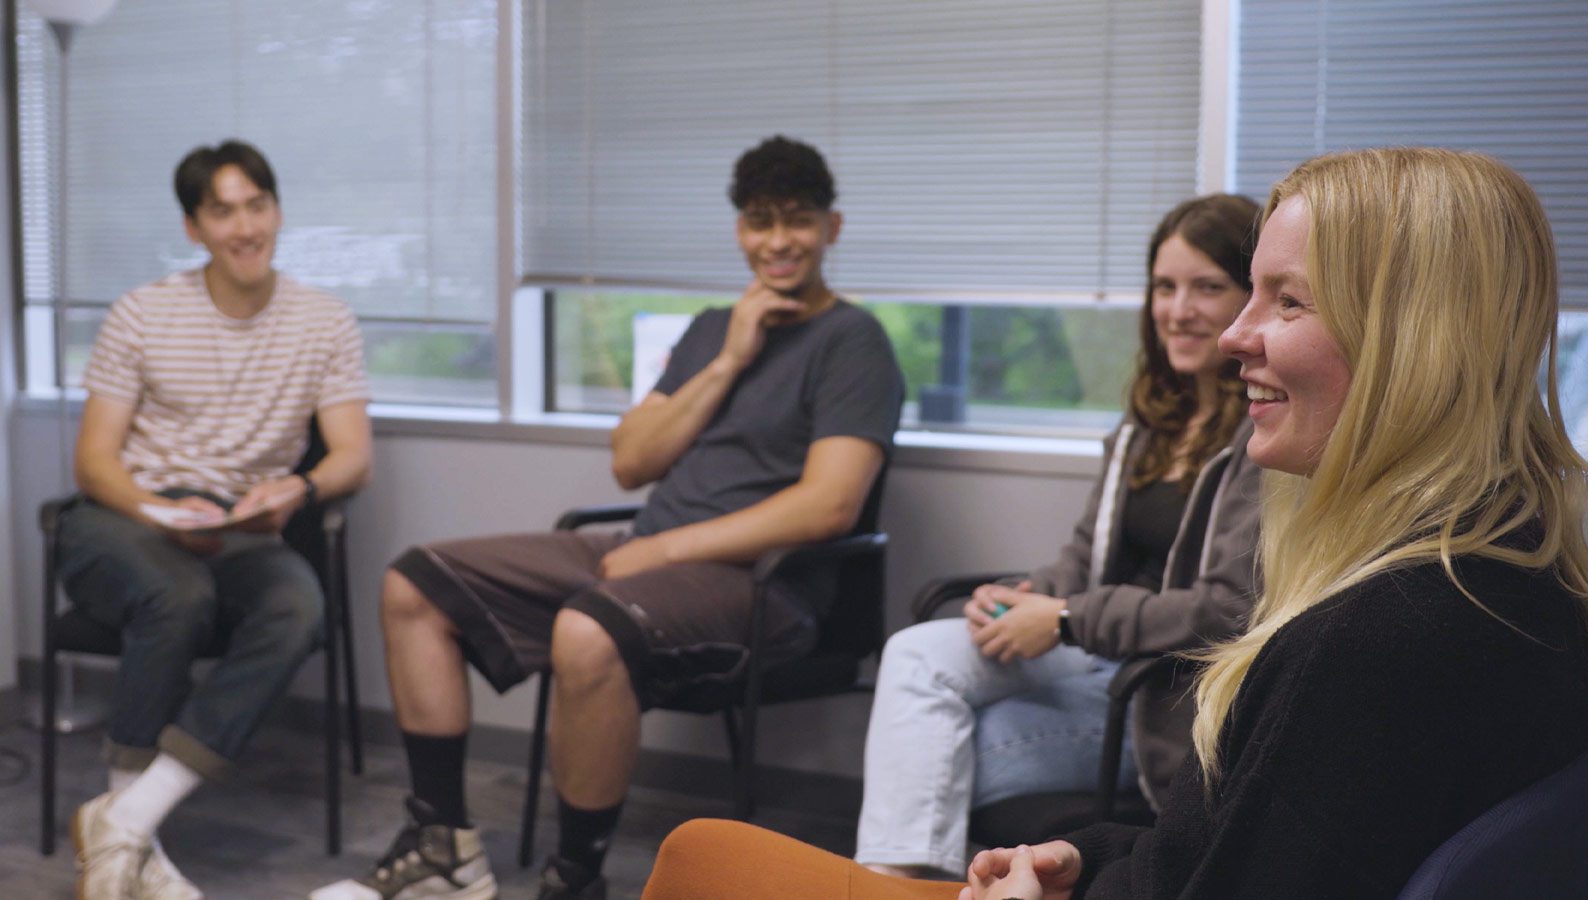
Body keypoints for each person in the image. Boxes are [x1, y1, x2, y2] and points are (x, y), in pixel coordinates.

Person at [640, 147, 1588, 900]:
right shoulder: (1514, 571)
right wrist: (1085, 857)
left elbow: (1235, 824)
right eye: (1180, 291)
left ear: (1413, 341)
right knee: (924, 658)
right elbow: (1229, 852)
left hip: (1134, 682)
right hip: (1115, 792)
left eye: (1284, 300)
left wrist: (1065, 623)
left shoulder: (1374, 640)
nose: (1226, 336)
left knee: (701, 860)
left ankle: (904, 875)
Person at [312, 135, 905, 900]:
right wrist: (728, 359)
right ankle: (443, 848)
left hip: (768, 588)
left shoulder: (854, 343)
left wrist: (662, 555)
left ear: (833, 227)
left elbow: (830, 504)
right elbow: (633, 460)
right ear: (739, 231)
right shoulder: (714, 330)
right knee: (415, 582)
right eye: (761, 221)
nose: (779, 241)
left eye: (798, 220)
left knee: (586, 631)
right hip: (646, 552)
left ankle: (575, 881)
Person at [856, 194, 1263, 879]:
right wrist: (1024, 597)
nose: (1179, 310)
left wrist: (1068, 617)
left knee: (929, 750)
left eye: (1208, 287)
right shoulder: (1149, 421)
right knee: (917, 661)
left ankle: (894, 888)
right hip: (1096, 659)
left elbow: (1225, 608)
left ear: (1253, 300)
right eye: (1165, 287)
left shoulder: (1263, 433)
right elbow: (1085, 554)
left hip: (1159, 700)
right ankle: (906, 889)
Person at [61, 139, 374, 900]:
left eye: (256, 205)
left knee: (297, 606)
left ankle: (126, 822)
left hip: (239, 527)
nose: (245, 226)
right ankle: (137, 847)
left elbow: (351, 456)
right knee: (180, 596)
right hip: (125, 518)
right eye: (222, 211)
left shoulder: (324, 322)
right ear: (194, 227)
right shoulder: (142, 313)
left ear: (277, 211)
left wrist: (295, 491)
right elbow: (95, 462)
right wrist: (160, 514)